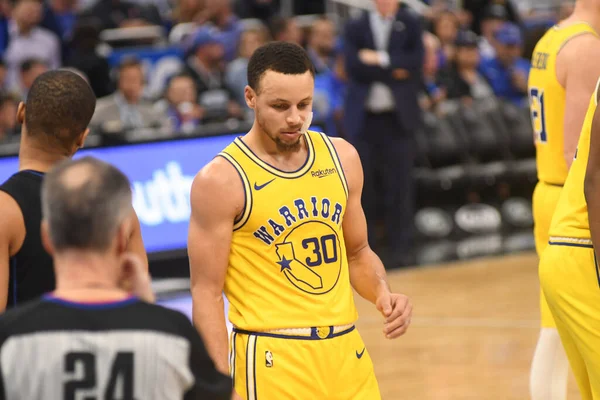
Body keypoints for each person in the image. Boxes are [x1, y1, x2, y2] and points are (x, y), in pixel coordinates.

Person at [188, 41, 412, 399]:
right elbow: (206, 292)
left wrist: (382, 291)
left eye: (304, 105)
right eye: (280, 106)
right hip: (273, 359)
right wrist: (218, 382)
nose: (295, 118)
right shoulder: (221, 180)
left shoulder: (342, 157)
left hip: (346, 352)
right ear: (250, 97)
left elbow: (357, 253)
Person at [0, 156, 235, 400]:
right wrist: (147, 306)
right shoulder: (173, 335)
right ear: (123, 236)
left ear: (47, 237)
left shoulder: (10, 340)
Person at [0, 69, 148, 311]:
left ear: (21, 113)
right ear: (82, 137)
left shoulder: (5, 210)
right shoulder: (120, 209)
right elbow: (141, 310)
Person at [527, 2, 600, 398]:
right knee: (564, 333)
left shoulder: (550, 38)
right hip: (571, 200)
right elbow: (577, 150)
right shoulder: (588, 47)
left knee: (554, 330)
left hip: (548, 190)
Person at [342, 0, 424, 267]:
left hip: (397, 120)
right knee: (363, 188)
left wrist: (378, 59)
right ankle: (367, 250)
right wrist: (393, 69)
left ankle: (402, 248)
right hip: (364, 120)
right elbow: (354, 65)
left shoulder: (410, 22)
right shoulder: (356, 25)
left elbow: (415, 63)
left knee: (400, 185)